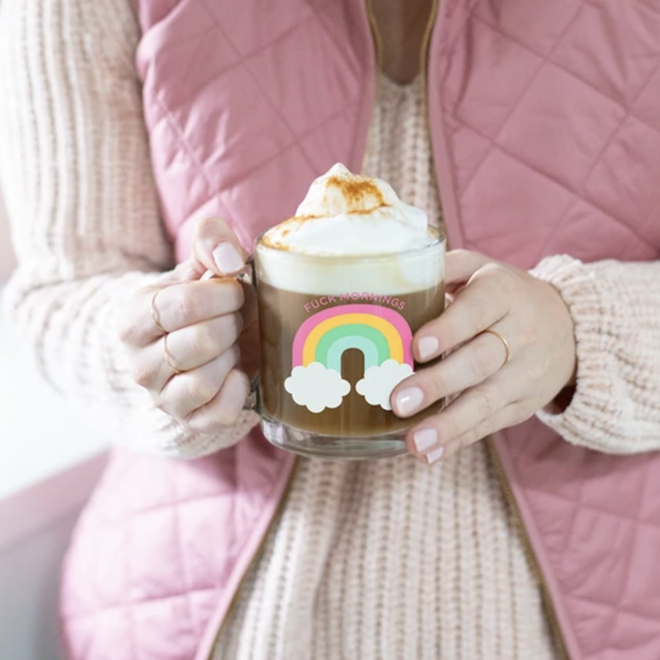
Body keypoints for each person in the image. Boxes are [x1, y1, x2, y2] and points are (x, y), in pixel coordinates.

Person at [1, 0, 659, 658]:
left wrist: (583, 333)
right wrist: (168, 349)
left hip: (594, 606)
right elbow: (60, 289)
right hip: (193, 607)